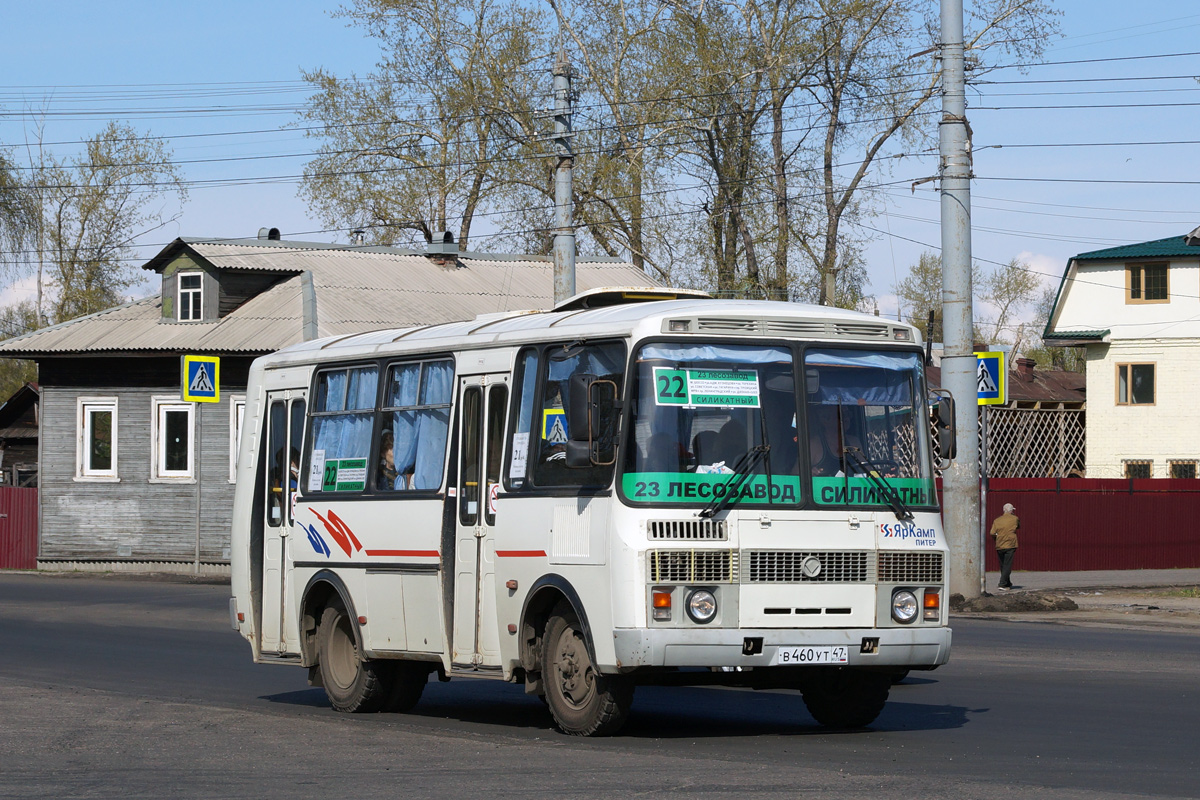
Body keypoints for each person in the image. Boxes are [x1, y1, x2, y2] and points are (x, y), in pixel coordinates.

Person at [989, 503, 1021, 591]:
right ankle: (1002, 584)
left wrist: (997, 538)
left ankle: (1007, 582)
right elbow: (1018, 526)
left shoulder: (997, 520)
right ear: (1011, 511)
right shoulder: (1015, 518)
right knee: (1007, 565)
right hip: (1010, 544)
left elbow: (992, 532)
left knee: (1003, 565)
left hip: (999, 544)